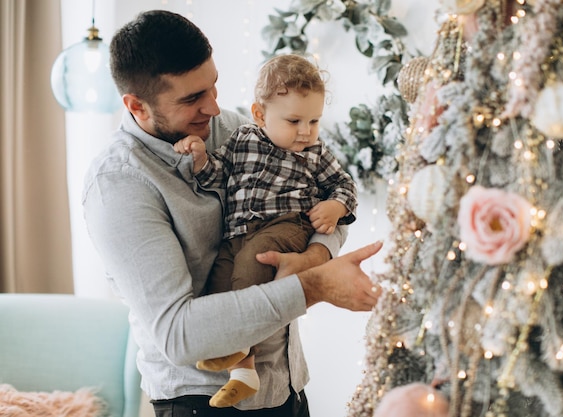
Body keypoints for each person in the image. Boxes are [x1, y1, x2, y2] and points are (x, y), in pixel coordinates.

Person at [82, 9, 381, 417]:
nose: (214, 107)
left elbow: (313, 197)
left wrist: (316, 255)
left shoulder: (236, 131)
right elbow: (179, 334)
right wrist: (314, 285)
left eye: (213, 87)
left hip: (287, 382)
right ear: (137, 105)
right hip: (200, 401)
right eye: (192, 99)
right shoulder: (117, 185)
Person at [172, 53, 358, 408]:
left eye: (314, 121)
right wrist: (198, 159)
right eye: (294, 120)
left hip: (286, 225)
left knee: (250, 267)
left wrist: (335, 207)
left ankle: (244, 351)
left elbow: (344, 186)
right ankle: (243, 369)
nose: (305, 131)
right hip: (238, 230)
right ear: (260, 115)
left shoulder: (314, 153)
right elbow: (217, 178)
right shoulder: (242, 138)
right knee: (220, 284)